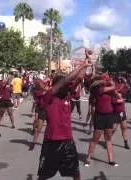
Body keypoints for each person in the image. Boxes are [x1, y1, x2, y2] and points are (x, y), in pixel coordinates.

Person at [37, 50, 91, 180]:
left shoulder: (67, 96)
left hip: (67, 141)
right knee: (44, 175)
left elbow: (78, 78)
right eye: (65, 85)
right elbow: (66, 80)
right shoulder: (49, 96)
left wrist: (86, 63)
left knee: (75, 173)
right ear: (57, 86)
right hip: (52, 142)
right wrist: (82, 66)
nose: (69, 86)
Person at [84, 73, 119, 167]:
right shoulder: (97, 89)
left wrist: (113, 87)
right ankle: (88, 158)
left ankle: (111, 160)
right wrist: (111, 83)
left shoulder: (108, 90)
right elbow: (113, 87)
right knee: (95, 138)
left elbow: (116, 94)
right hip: (99, 116)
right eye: (104, 80)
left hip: (109, 115)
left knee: (108, 138)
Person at [29, 79, 48, 151]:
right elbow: (44, 92)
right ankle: (33, 142)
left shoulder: (44, 89)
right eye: (41, 83)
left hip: (48, 109)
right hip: (41, 109)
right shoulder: (36, 92)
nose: (43, 84)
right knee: (38, 128)